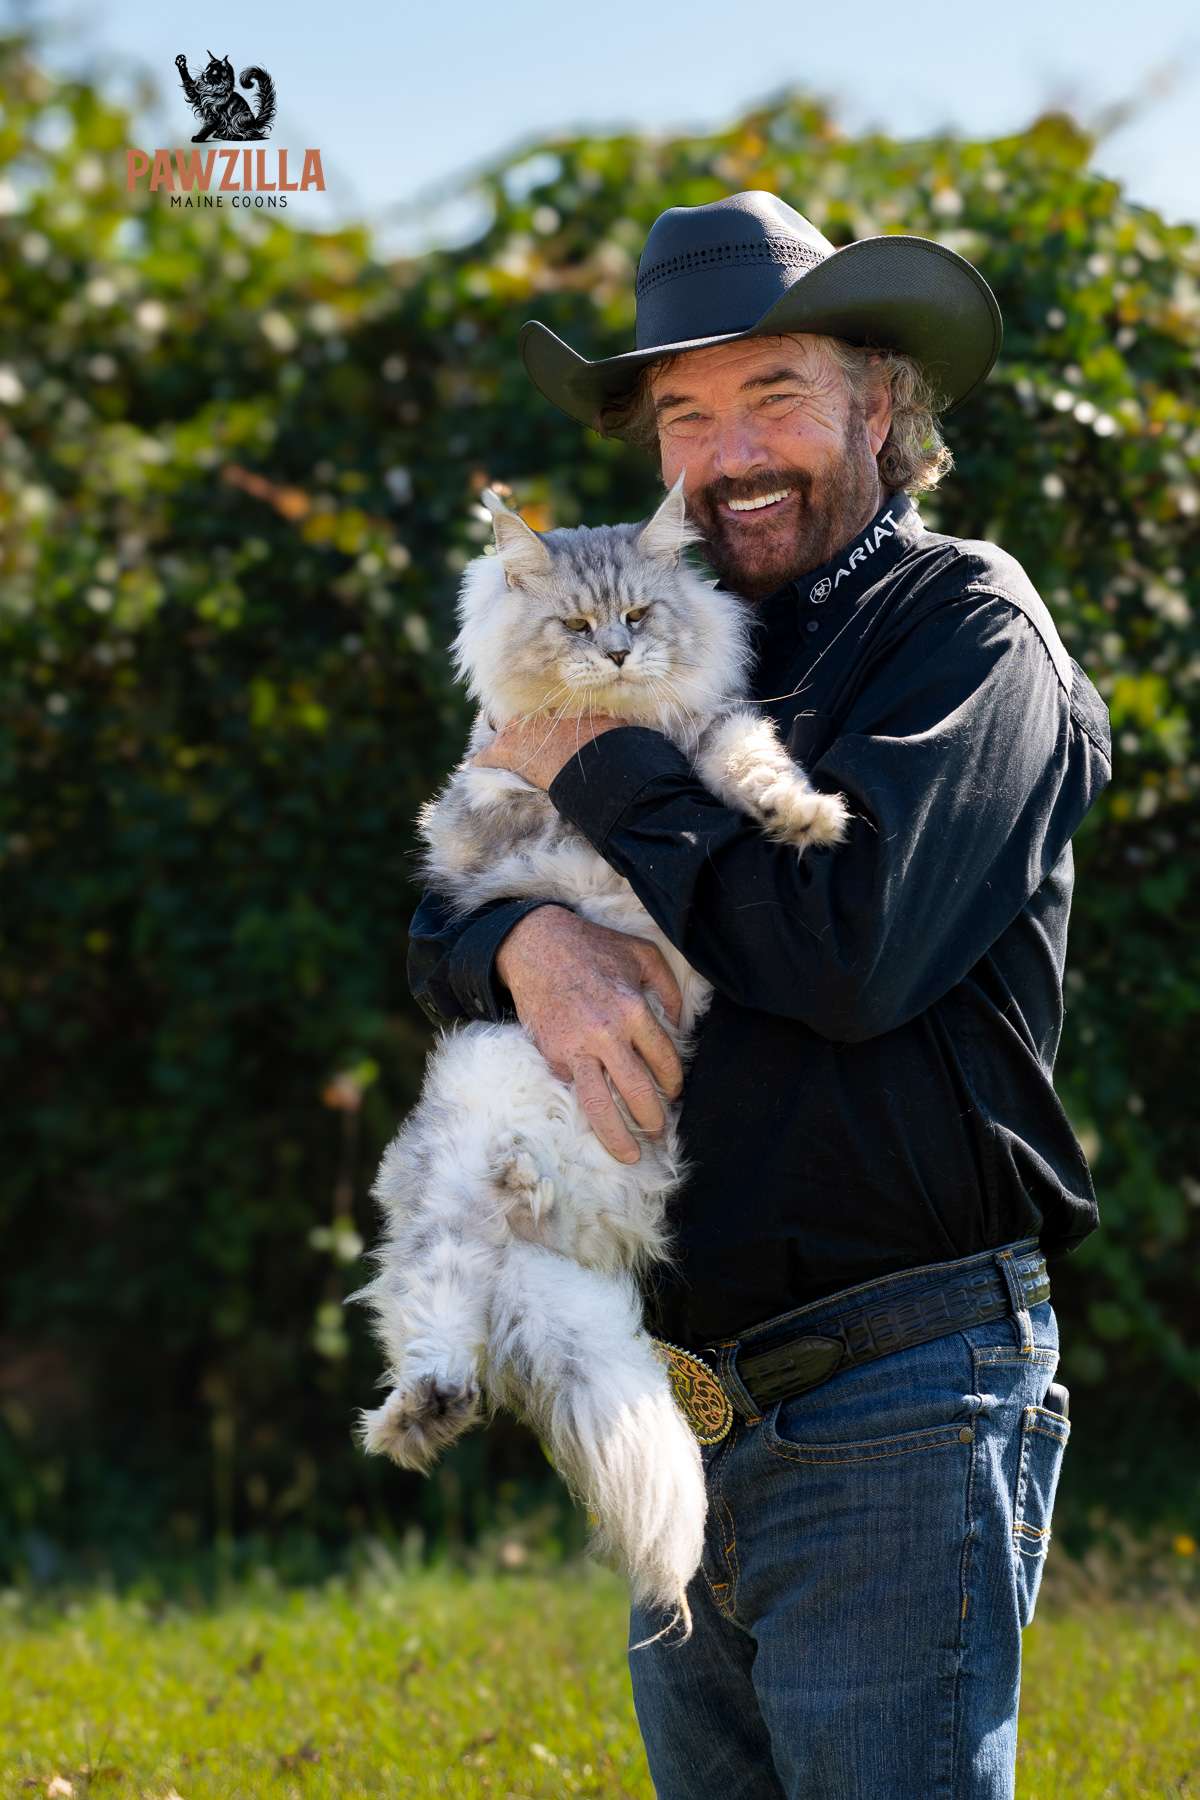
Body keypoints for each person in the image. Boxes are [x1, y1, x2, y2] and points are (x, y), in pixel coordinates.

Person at [406, 192, 1113, 1799]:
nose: (730, 456)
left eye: (775, 396)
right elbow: (442, 908)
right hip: (682, 1394)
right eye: (686, 416)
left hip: (900, 1394)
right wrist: (527, 946)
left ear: (881, 406)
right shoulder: (657, 632)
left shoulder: (966, 632)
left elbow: (846, 950)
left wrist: (595, 767)